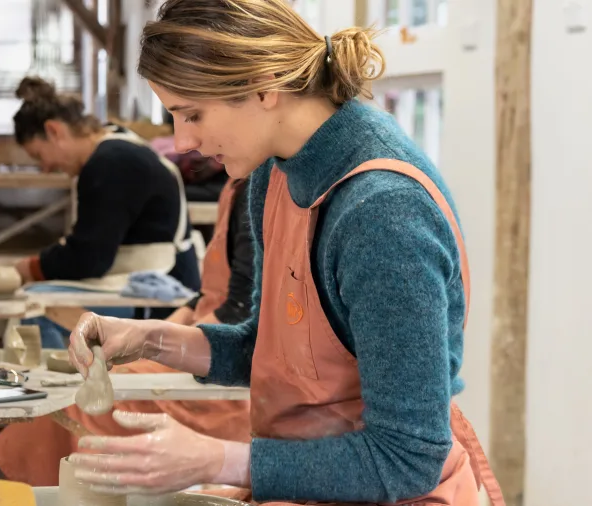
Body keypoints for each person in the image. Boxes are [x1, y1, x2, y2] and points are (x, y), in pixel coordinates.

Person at [63, 1, 506, 505]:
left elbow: (408, 457)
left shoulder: (382, 214)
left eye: (193, 114)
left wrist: (218, 460)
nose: (183, 141)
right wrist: (151, 338)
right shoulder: (275, 172)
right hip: (310, 477)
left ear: (264, 85)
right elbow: (274, 352)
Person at [0, 176, 254, 485]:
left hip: (228, 368)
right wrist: (150, 333)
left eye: (194, 123)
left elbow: (240, 313)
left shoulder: (263, 185)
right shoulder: (238, 178)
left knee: (77, 404)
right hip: (207, 336)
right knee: (67, 392)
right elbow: (211, 293)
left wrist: (162, 342)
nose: (182, 144)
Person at [9, 77, 201, 348]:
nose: (45, 168)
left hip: (161, 291)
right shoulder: (115, 141)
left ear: (54, 131)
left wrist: (31, 267)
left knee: (32, 308)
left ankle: (56, 385)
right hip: (154, 277)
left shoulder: (111, 162)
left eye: (40, 155)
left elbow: (90, 258)